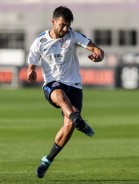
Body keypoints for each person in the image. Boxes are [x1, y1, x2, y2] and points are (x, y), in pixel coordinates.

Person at [26, 6, 104, 178]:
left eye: (68, 25)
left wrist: (98, 55)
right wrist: (31, 71)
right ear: (53, 22)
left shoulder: (73, 36)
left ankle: (47, 160)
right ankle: (78, 119)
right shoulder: (39, 42)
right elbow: (31, 65)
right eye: (62, 25)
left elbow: (97, 49)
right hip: (52, 85)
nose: (65, 29)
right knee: (61, 96)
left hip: (74, 85)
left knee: (68, 126)